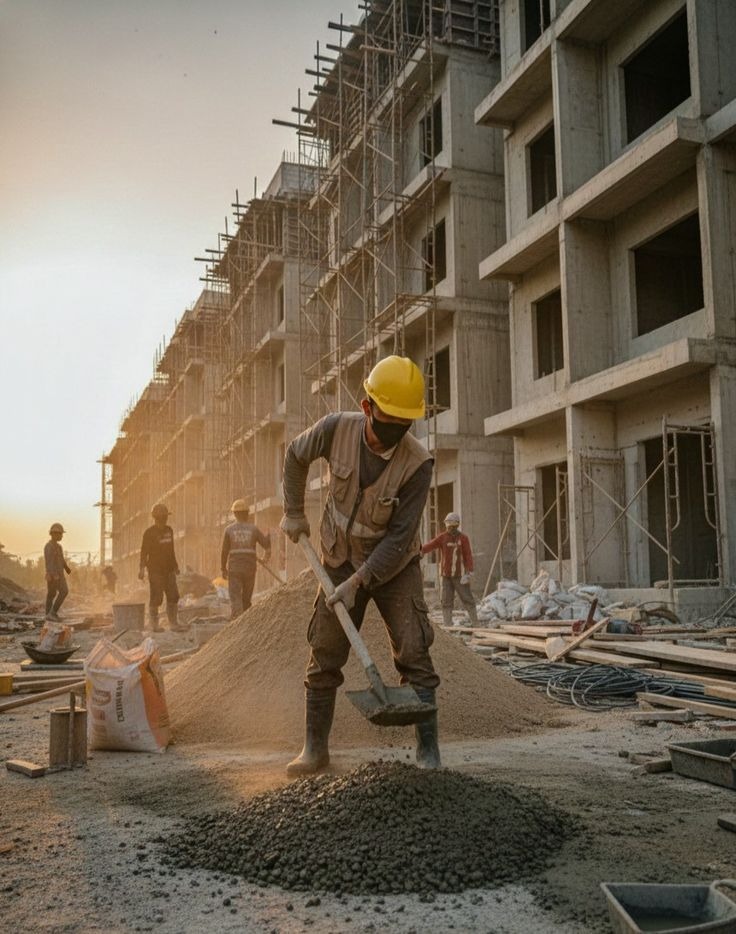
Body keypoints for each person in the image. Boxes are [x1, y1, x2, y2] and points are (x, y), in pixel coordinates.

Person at [280, 354, 440, 776]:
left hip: (393, 566)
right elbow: (296, 457)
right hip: (336, 556)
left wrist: (361, 580)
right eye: (389, 422)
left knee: (413, 647)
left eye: (404, 425)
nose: (395, 433)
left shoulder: (418, 464)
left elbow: (399, 538)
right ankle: (315, 749)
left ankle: (428, 751)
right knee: (326, 650)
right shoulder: (337, 428)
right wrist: (293, 510)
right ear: (368, 407)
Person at [421, 512, 478, 627]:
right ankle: (448, 624)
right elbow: (431, 545)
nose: (449, 528)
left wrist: (469, 572)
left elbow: (468, 556)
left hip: (460, 576)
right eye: (448, 526)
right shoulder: (443, 537)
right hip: (446, 576)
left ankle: (475, 623)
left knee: (468, 599)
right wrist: (420, 550)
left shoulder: (463, 538)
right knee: (446, 601)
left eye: (452, 526)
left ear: (456, 525)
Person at [221, 499, 271, 619]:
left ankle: (237, 621)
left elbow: (224, 551)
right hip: (250, 568)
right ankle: (246, 622)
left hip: (235, 569)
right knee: (247, 598)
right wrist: (265, 558)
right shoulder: (253, 529)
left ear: (234, 514)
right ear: (247, 514)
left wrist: (223, 568)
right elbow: (266, 545)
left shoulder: (229, 530)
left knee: (235, 597)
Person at [138, 503, 183, 632]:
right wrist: (141, 569)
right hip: (155, 571)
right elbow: (143, 553)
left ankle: (173, 623)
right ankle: (154, 624)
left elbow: (171, 550)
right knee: (156, 597)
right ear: (156, 518)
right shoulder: (149, 533)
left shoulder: (169, 530)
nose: (164, 519)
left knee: (173, 596)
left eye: (165, 517)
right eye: (162, 517)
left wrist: (175, 566)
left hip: (169, 570)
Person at [44, 523, 72, 621]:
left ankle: (51, 614)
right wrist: (53, 574)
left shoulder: (59, 547)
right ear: (54, 534)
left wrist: (66, 568)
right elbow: (49, 562)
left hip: (60, 575)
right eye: (60, 534)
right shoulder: (48, 546)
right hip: (53, 575)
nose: (61, 536)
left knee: (64, 591)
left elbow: (61, 559)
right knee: (51, 594)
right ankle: (49, 614)